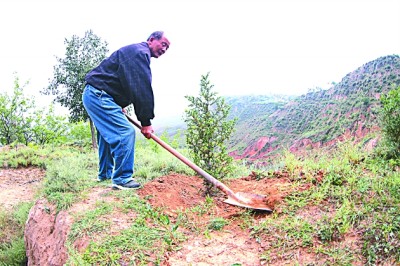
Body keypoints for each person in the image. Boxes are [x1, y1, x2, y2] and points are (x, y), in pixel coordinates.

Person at [82, 31, 170, 190]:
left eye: (167, 48)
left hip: (96, 94)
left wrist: (118, 104)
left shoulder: (136, 52)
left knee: (105, 135)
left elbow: (121, 80)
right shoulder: (139, 54)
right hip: (98, 94)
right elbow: (141, 88)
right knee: (125, 132)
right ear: (151, 40)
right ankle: (122, 178)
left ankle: (105, 174)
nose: (164, 49)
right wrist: (145, 122)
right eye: (163, 44)